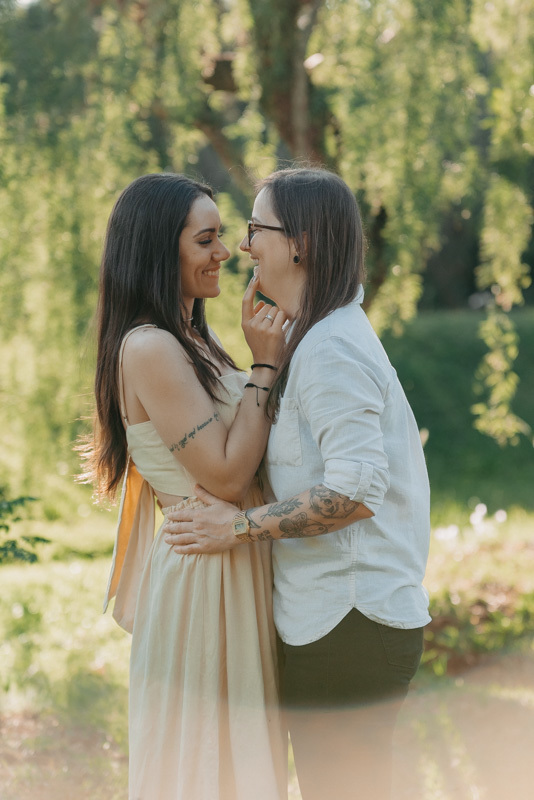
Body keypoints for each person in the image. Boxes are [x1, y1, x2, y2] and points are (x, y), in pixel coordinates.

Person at [164, 167, 431, 800]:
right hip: (334, 622)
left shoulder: (331, 349)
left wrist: (234, 529)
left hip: (352, 621)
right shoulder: (313, 340)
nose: (246, 246)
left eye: (257, 228)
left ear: (300, 243)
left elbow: (355, 490)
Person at [87, 173, 288, 800]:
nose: (225, 253)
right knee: (207, 767)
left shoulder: (194, 339)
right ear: (158, 249)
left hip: (231, 561)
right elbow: (226, 474)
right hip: (204, 577)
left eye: (222, 237)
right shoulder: (148, 347)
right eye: (207, 240)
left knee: (238, 762)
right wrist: (265, 365)